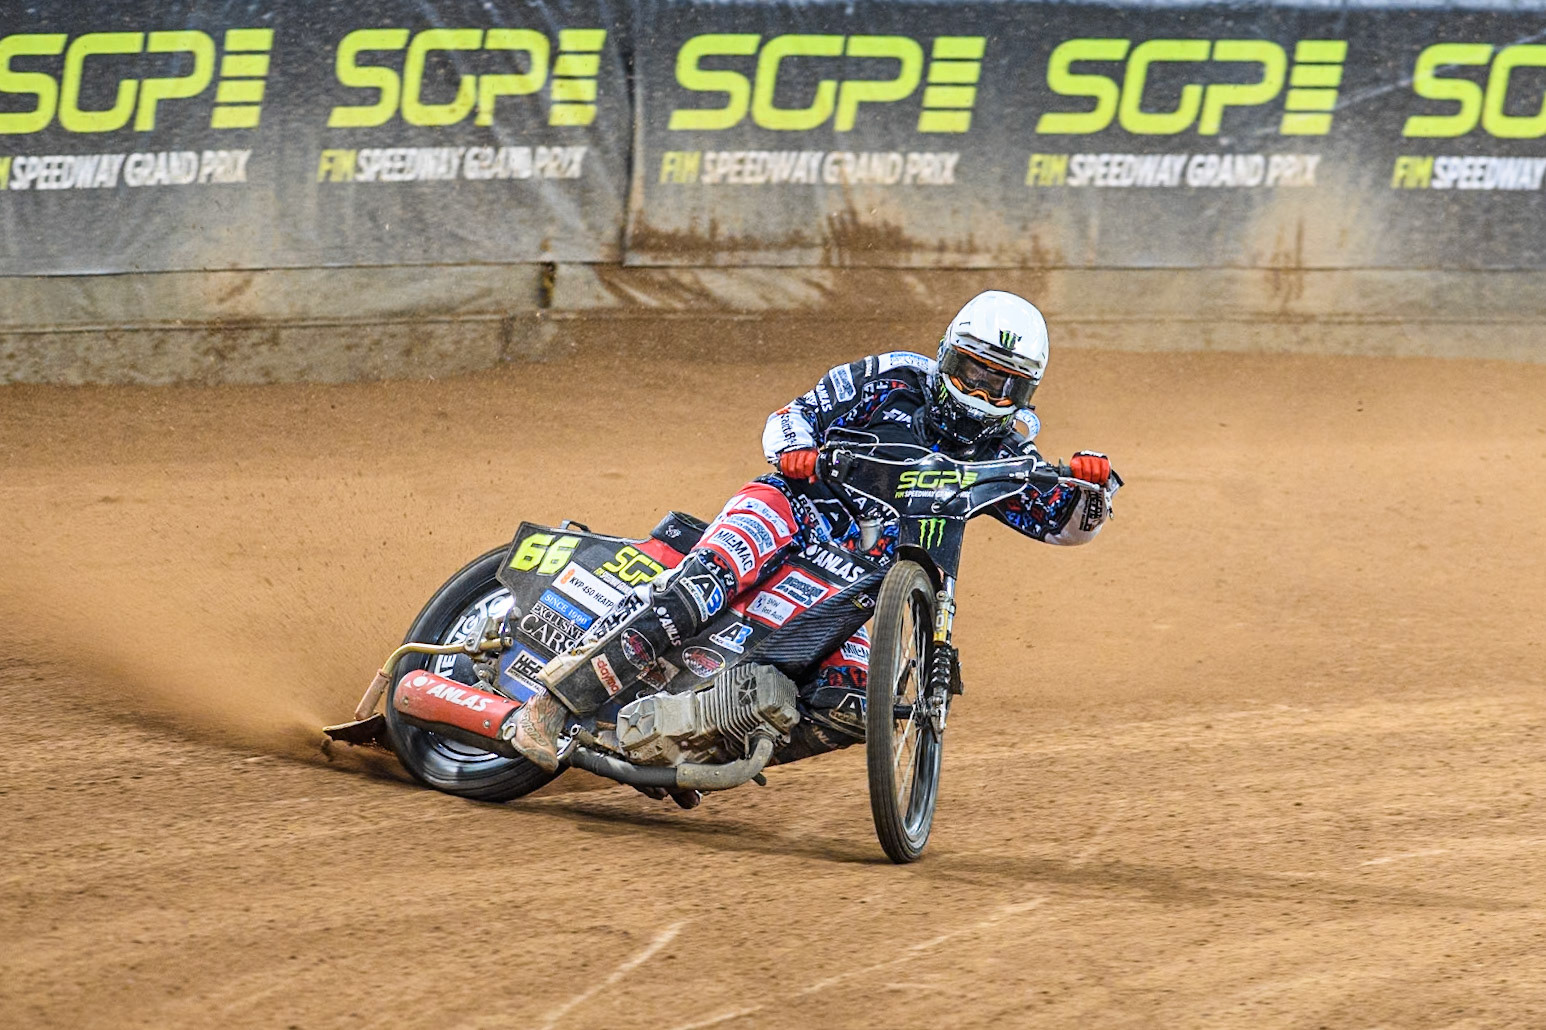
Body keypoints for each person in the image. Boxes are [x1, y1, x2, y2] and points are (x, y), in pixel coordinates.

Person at [507, 289, 1121, 774]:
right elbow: (791, 416)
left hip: (859, 580)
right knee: (696, 593)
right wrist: (798, 451)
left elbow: (1065, 526)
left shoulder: (1010, 455)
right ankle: (549, 706)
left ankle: (696, 746)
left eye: (999, 384)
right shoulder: (891, 377)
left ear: (1025, 392)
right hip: (793, 508)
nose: (978, 393)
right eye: (967, 372)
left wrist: (1091, 489)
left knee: (855, 705)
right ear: (944, 354)